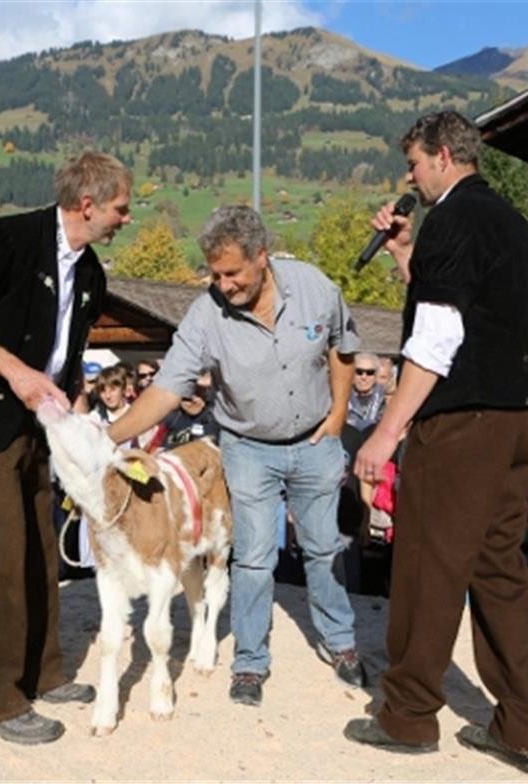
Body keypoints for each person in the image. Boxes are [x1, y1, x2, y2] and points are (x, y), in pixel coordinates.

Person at [340, 110, 528, 775]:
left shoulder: (453, 221)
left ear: (440, 155)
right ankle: (525, 727)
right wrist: (408, 254)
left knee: (429, 565)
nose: (409, 176)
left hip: (463, 422)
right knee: (499, 569)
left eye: (412, 163)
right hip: (517, 415)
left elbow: (437, 340)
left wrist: (384, 431)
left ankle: (407, 715)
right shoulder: (508, 222)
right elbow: (474, 310)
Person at [106, 204, 367, 708]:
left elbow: (343, 346)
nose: (222, 283)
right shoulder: (206, 315)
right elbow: (166, 389)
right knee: (253, 558)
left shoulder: (315, 287)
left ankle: (341, 642)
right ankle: (250, 661)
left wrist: (337, 416)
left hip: (315, 440)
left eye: (232, 273)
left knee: (322, 548)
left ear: (262, 257)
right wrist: (112, 435)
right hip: (248, 449)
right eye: (215, 273)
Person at [0, 150, 131, 745]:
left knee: (39, 547)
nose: (126, 218)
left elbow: (67, 356)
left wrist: (82, 422)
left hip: (39, 421)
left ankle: (41, 674)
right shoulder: (0, 240)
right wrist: (18, 373)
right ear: (87, 204)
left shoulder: (91, 273)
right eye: (121, 207)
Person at [346, 352, 385, 431]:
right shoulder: (341, 397)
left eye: (370, 372)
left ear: (376, 375)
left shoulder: (385, 400)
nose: (364, 377)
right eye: (359, 372)